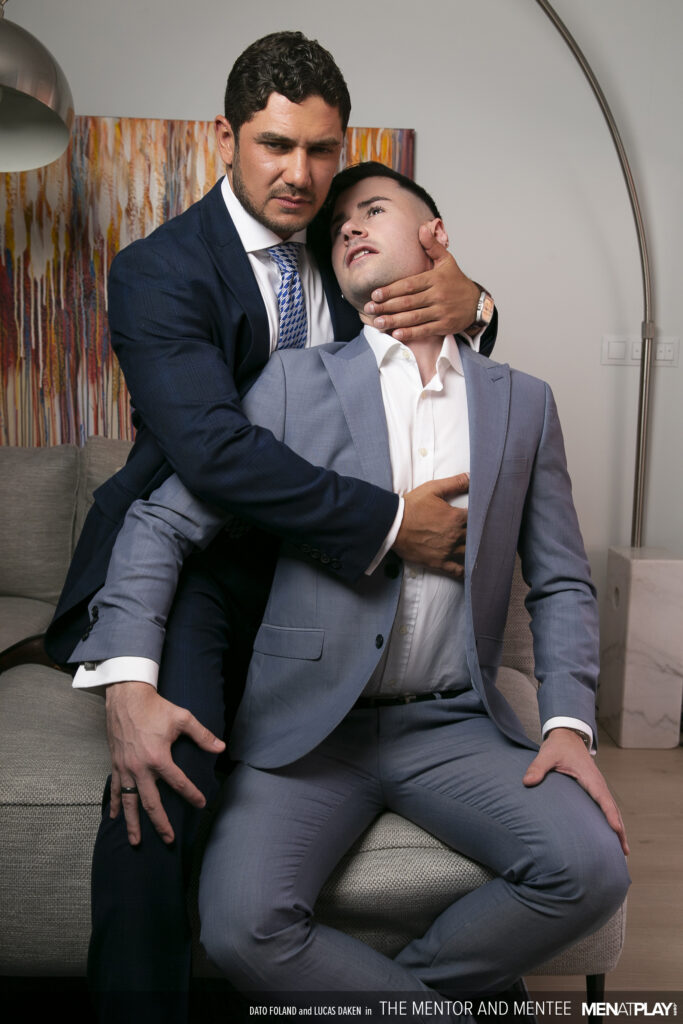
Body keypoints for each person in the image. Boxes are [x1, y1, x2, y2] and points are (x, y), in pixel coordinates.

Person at [71, 163, 630, 1013]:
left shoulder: (524, 403)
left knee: (592, 871)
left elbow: (559, 580)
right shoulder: (293, 383)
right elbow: (163, 523)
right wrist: (129, 674)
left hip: (453, 724)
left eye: (372, 211)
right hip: (308, 737)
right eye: (337, 231)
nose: (349, 230)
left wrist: (567, 724)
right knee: (239, 927)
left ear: (434, 236)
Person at [42, 32, 499, 1022]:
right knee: (167, 775)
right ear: (226, 137)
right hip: (202, 562)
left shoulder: (349, 244)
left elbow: (439, 342)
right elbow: (213, 452)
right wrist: (391, 525)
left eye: (321, 149)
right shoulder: (160, 270)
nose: (299, 173)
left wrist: (480, 305)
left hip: (320, 573)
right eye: (275, 145)